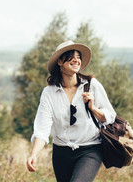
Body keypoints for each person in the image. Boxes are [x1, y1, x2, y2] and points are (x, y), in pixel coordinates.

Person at [26, 40, 116, 182]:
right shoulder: (49, 93)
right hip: (61, 153)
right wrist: (34, 154)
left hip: (90, 149)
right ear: (60, 62)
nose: (76, 60)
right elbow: (42, 129)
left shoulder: (91, 85)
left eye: (78, 57)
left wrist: (93, 109)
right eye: (71, 56)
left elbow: (110, 116)